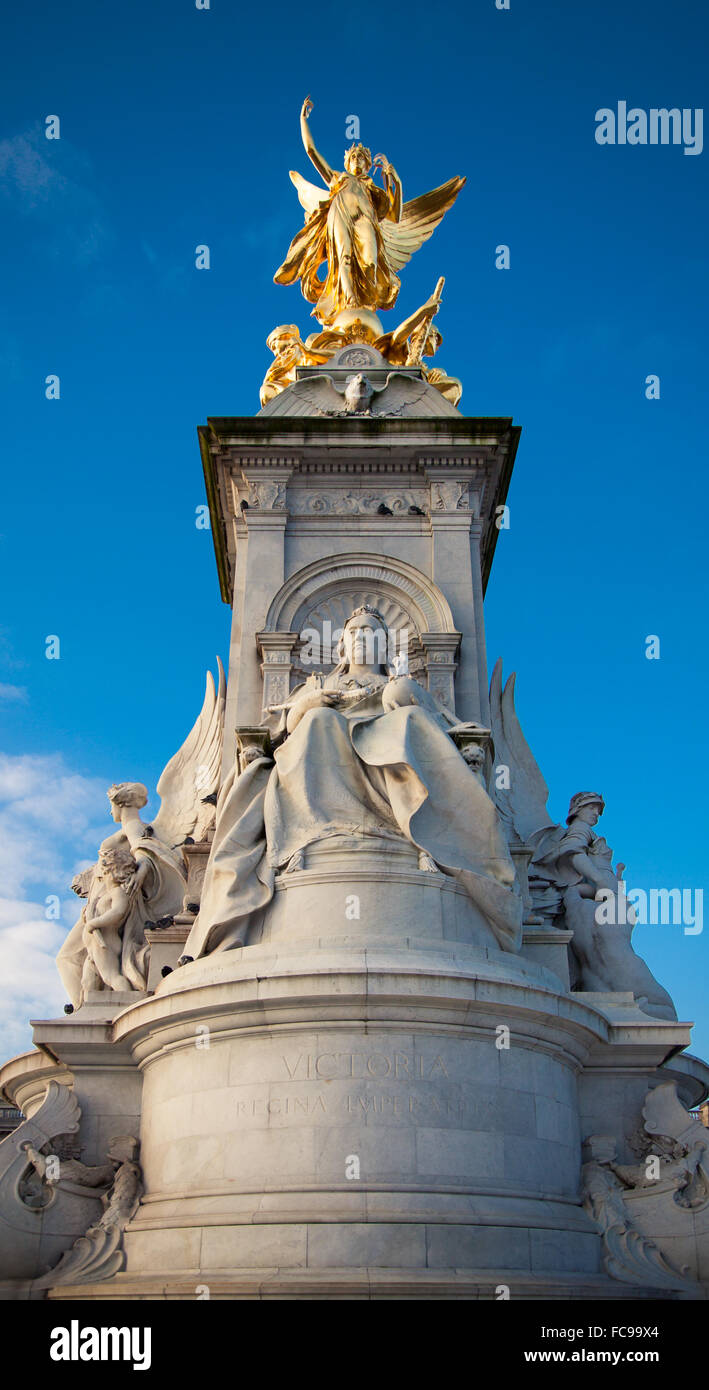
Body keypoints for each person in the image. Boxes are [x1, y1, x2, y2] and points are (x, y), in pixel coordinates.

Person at [180, 606, 521, 960]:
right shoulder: (319, 685)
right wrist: (305, 706)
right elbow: (283, 725)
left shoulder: (398, 684)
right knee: (317, 724)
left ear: (385, 647)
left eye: (371, 633)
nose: (362, 638)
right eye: (355, 632)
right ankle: (308, 838)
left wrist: (404, 700)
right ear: (342, 646)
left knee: (409, 724)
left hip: (388, 745)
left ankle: (424, 838)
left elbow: (441, 723)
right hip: (329, 749)